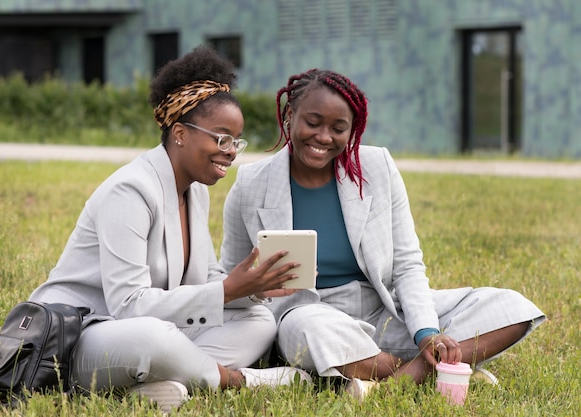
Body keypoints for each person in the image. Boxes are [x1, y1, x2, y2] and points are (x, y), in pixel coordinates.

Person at [219, 68, 545, 398]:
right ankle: (439, 373)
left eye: (338, 128)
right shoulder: (250, 184)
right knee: (309, 329)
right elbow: (230, 279)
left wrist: (427, 333)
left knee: (511, 306)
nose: (323, 137)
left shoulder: (377, 167)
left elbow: (406, 265)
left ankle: (394, 376)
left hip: (383, 309)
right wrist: (260, 286)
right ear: (290, 115)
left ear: (353, 129)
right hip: (308, 314)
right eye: (313, 123)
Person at [28, 46, 310, 414]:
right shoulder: (130, 190)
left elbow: (205, 278)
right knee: (155, 337)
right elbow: (128, 307)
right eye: (221, 138)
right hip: (81, 338)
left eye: (236, 141)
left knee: (258, 320)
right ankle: (238, 380)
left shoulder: (193, 191)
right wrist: (226, 290)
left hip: (145, 333)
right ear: (179, 133)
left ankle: (163, 384)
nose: (231, 152)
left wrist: (252, 288)